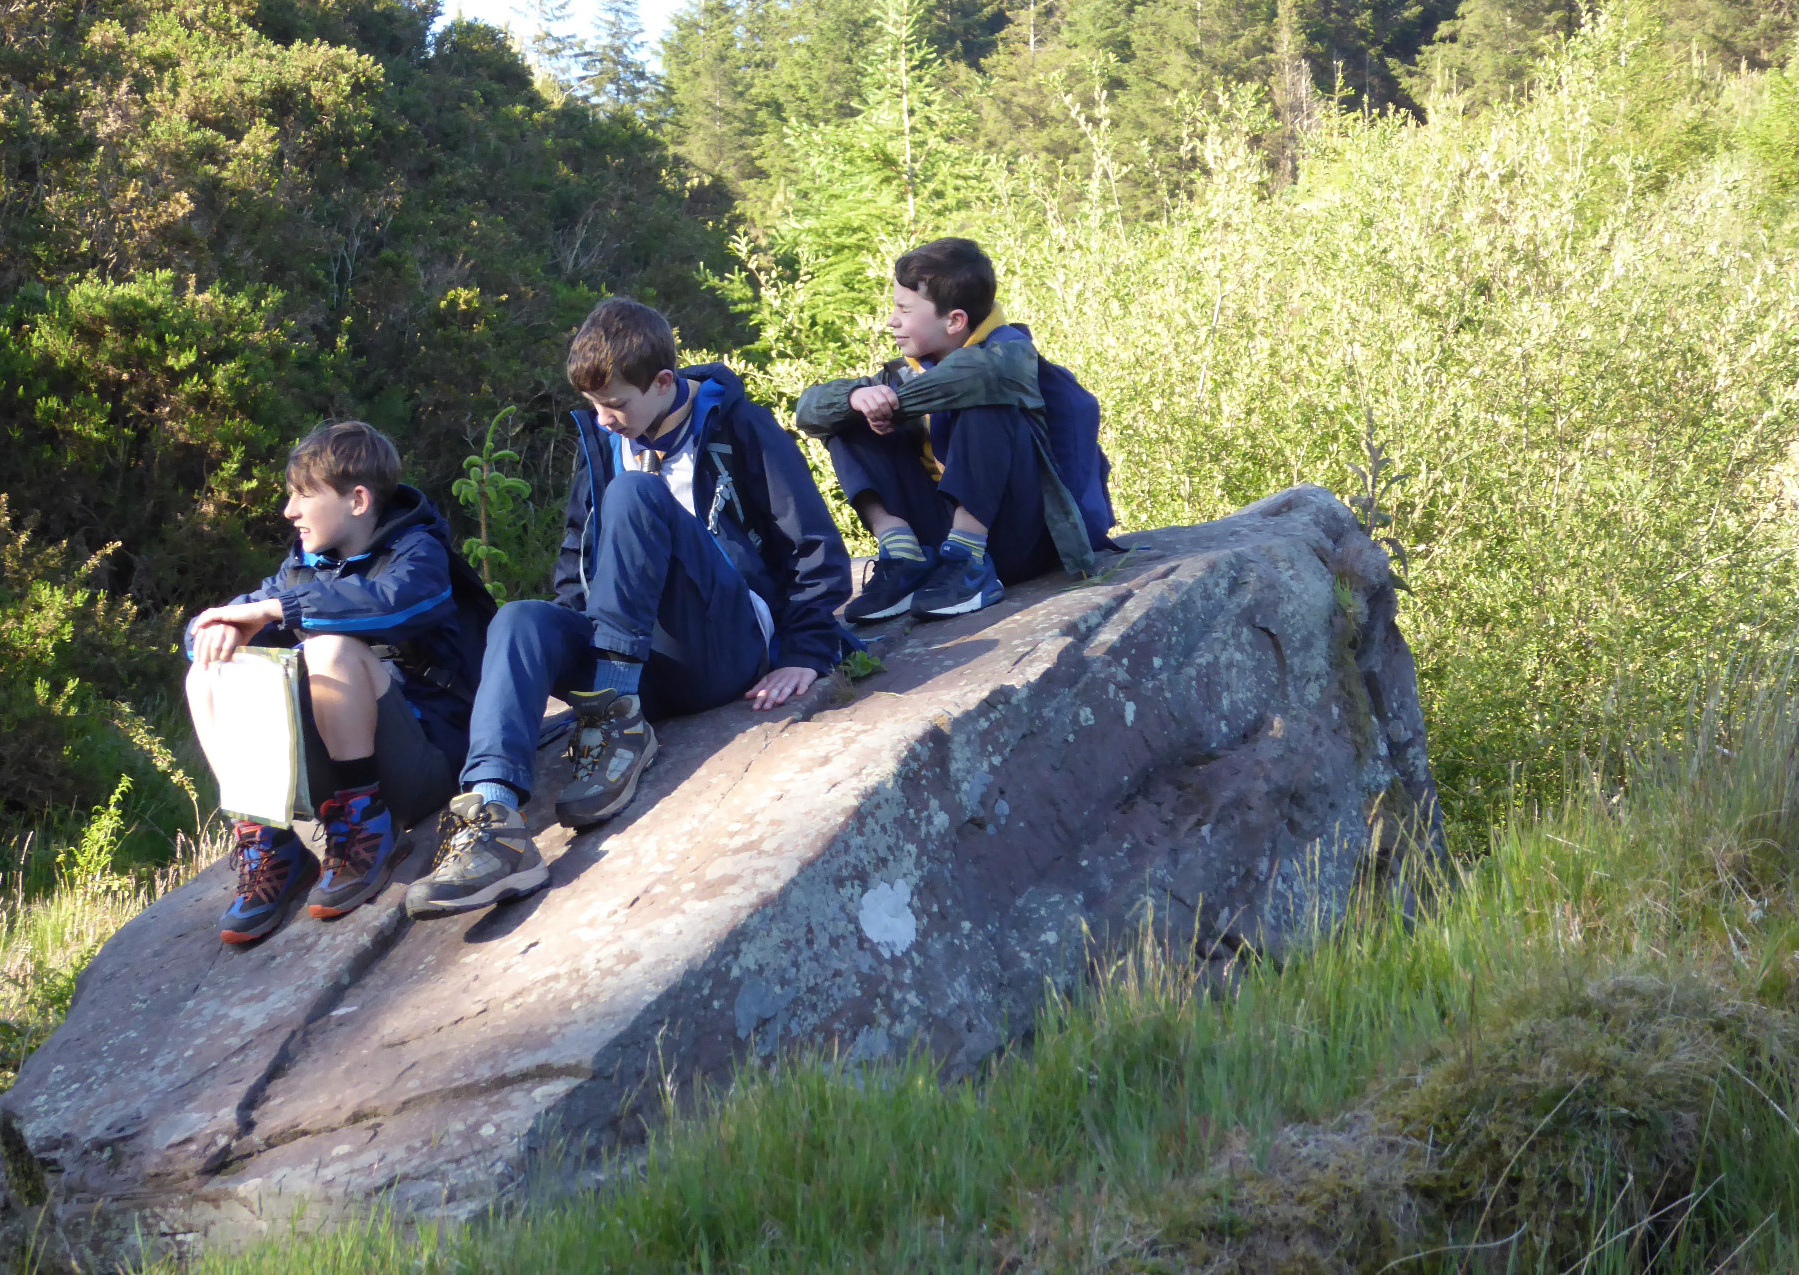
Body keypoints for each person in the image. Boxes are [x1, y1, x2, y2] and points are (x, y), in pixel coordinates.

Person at [406, 297, 852, 919]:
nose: (603, 419)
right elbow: (576, 554)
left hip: (720, 646)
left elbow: (815, 547)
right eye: (594, 405)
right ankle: (494, 818)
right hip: (637, 660)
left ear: (664, 382)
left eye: (615, 404)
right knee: (519, 620)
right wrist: (571, 637)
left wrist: (806, 651)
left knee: (636, 494)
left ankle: (617, 715)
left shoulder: (739, 426)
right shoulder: (603, 439)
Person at [185, 420, 490, 945]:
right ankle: (268, 842)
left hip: (425, 764)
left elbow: (393, 605)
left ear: (358, 500)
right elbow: (212, 629)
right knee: (211, 670)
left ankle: (367, 827)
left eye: (303, 495)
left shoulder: (418, 552)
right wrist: (216, 628)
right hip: (334, 768)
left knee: (330, 648)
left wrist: (278, 610)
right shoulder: (302, 569)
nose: (289, 511)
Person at [795, 236, 1116, 623]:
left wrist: (891, 406)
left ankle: (970, 560)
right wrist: (857, 399)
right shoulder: (908, 371)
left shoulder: (1009, 353)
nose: (891, 321)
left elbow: (978, 375)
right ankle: (903, 556)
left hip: (1019, 537)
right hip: (939, 538)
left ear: (954, 321)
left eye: (904, 310)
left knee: (986, 402)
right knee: (848, 415)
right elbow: (808, 412)